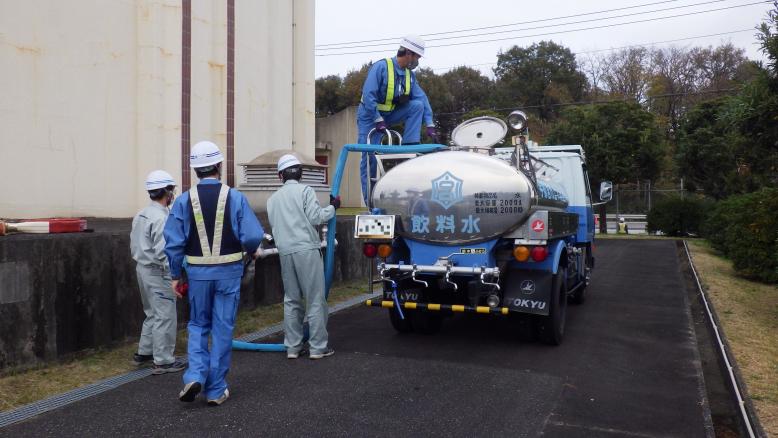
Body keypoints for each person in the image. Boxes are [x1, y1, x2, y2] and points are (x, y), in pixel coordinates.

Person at [164, 140, 264, 406]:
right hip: (229, 273)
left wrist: (175, 275)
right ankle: (216, 389)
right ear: (219, 166)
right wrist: (252, 249)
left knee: (198, 324)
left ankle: (195, 374)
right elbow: (253, 235)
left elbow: (173, 243)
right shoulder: (235, 197)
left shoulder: (184, 200)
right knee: (222, 327)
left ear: (195, 169)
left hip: (197, 274)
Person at [267, 154, 340, 360]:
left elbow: (274, 226)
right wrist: (333, 207)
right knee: (315, 299)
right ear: (300, 173)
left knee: (291, 300)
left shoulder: (272, 199)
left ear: (280, 175)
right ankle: (317, 348)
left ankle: (292, 347)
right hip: (306, 249)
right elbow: (317, 217)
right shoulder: (305, 190)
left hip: (285, 252)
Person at [357, 34, 437, 206]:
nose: (417, 61)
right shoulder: (381, 67)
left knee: (416, 105)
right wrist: (377, 118)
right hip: (369, 117)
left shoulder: (409, 75)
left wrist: (429, 123)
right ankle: (370, 203)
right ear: (408, 53)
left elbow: (421, 98)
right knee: (369, 158)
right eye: (417, 57)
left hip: (390, 115)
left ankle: (410, 145)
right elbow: (368, 94)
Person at [130, 170, 186, 375]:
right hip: (157, 271)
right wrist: (174, 275)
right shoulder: (162, 218)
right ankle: (163, 361)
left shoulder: (142, 213)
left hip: (142, 268)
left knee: (151, 312)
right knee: (165, 315)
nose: (173, 194)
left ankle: (144, 352)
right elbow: (164, 251)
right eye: (171, 190)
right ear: (166, 192)